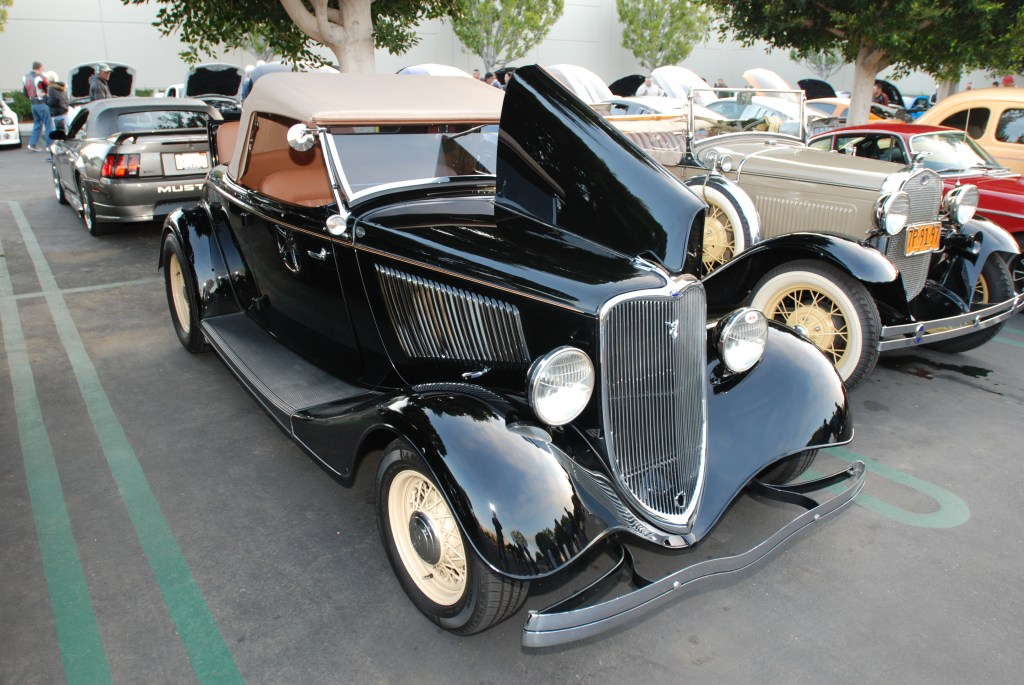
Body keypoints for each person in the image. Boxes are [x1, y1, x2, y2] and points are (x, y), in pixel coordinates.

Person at [22, 60, 53, 151]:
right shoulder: (41, 77)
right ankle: (49, 145)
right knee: (48, 124)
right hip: (42, 103)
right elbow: (47, 89)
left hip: (33, 103)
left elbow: (25, 91)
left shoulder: (25, 77)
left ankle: (32, 144)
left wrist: (31, 98)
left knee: (37, 123)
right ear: (40, 68)